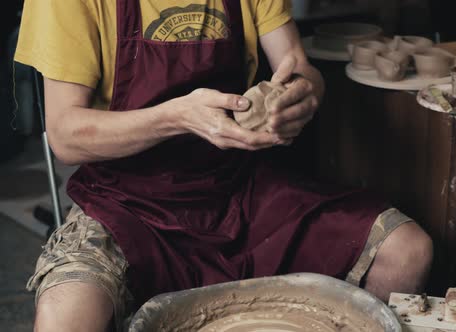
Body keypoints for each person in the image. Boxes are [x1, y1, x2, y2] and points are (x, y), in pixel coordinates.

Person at [16, 0, 433, 331]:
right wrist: (176, 117)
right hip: (126, 202)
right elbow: (67, 136)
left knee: (406, 252)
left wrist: (305, 93)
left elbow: (298, 66)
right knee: (62, 316)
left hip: (239, 188)